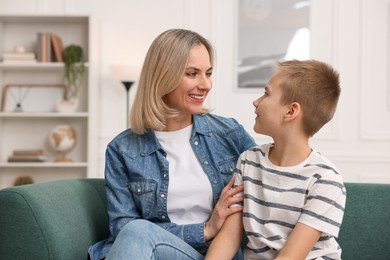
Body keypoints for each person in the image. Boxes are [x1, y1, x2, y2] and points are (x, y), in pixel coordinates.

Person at [88, 28, 256, 259]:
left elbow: (269, 188)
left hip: (211, 255)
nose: (205, 84)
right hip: (151, 252)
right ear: (163, 76)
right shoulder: (123, 149)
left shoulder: (229, 134)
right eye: (192, 73)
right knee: (135, 231)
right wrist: (205, 230)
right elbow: (122, 228)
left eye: (208, 73)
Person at [206, 59, 346, 259]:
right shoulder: (248, 162)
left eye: (266, 93)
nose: (256, 102)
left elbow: (290, 257)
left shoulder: (325, 179)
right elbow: (228, 237)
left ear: (290, 111)